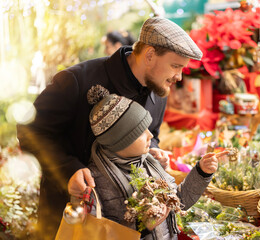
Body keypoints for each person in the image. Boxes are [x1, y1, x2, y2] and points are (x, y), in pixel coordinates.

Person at [17, 17, 203, 239]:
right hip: (68, 219)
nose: (179, 76)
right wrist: (68, 169)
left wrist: (153, 150)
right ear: (150, 55)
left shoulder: (159, 92)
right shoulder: (77, 80)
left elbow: (152, 136)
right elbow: (30, 131)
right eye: (175, 66)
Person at [76, 87, 226, 239]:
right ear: (120, 141)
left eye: (147, 128)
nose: (150, 135)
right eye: (140, 132)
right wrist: (142, 228)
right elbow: (95, 233)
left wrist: (201, 172)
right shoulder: (95, 181)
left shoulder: (148, 163)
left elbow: (179, 201)